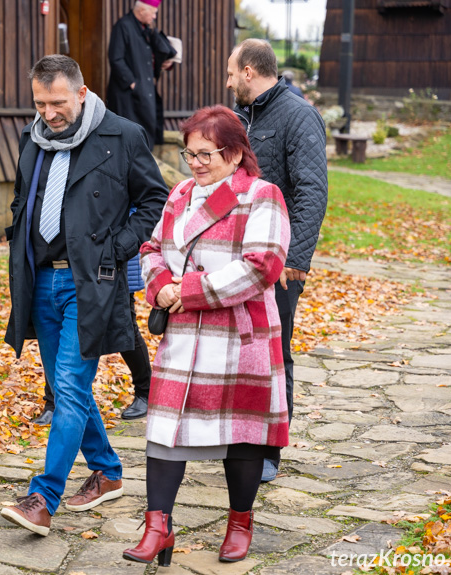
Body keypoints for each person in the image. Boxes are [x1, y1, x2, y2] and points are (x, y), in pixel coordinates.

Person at [2, 55, 167, 536]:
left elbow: (154, 199)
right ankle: (108, 470)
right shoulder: (31, 138)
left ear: (80, 92)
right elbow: (21, 197)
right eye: (39, 103)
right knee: (65, 381)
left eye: (56, 103)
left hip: (89, 282)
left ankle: (43, 496)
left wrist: (116, 248)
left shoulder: (122, 136)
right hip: (40, 281)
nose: (48, 113)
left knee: (69, 388)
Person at [122, 105, 290, 567]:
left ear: (235, 155)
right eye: (189, 153)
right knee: (164, 430)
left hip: (238, 336)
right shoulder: (180, 193)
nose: (194, 163)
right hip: (183, 332)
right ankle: (158, 527)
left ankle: (240, 521)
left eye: (205, 154)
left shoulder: (262, 195)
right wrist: (159, 288)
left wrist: (188, 290)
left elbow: (263, 265)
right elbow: (152, 247)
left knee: (241, 436)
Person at [227, 39, 328, 482]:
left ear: (249, 71)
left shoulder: (298, 115)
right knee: (235, 349)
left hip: (279, 262)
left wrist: (296, 258)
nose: (228, 81)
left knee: (272, 354)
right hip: (234, 257)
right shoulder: (238, 118)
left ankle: (269, 452)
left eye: (232, 73)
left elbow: (311, 190)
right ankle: (237, 441)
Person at [33, 218, 151, 424]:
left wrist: (119, 246)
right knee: (58, 335)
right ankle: (53, 401)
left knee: (125, 328)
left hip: (113, 260)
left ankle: (145, 392)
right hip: (76, 262)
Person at [106, 0, 177, 150]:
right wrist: (133, 83)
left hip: (144, 92)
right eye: (153, 12)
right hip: (127, 96)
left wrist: (165, 63)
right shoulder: (123, 26)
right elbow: (116, 58)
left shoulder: (145, 29)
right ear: (142, 10)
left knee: (144, 136)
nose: (155, 16)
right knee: (128, 138)